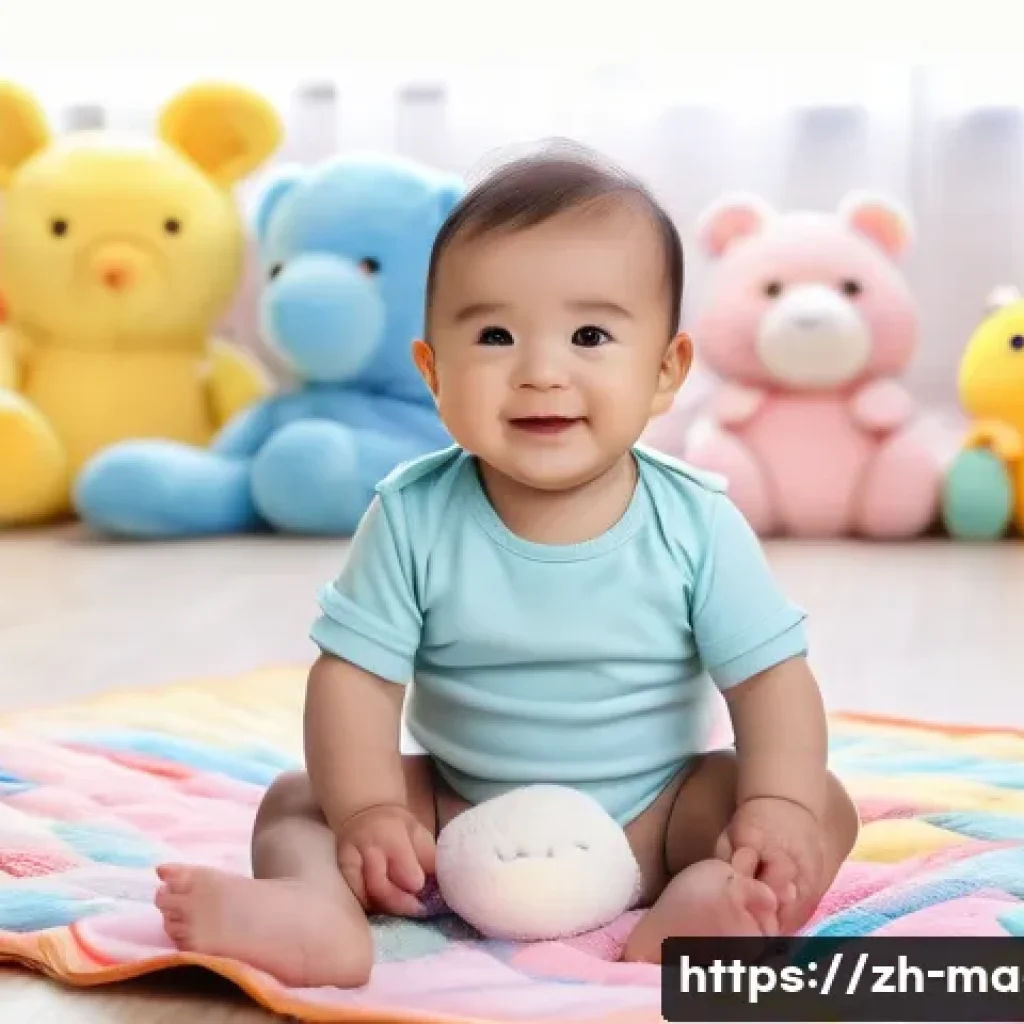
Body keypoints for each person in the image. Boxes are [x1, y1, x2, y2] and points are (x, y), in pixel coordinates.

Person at [153, 142, 859, 988]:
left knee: (818, 803)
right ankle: (318, 916)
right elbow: (356, 681)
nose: (540, 373)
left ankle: (706, 908)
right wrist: (373, 812)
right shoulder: (410, 512)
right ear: (433, 372)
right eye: (494, 336)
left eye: (590, 334)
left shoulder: (696, 520)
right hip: (455, 817)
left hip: (658, 820)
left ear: (666, 371)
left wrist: (775, 810)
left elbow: (771, 681)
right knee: (299, 801)